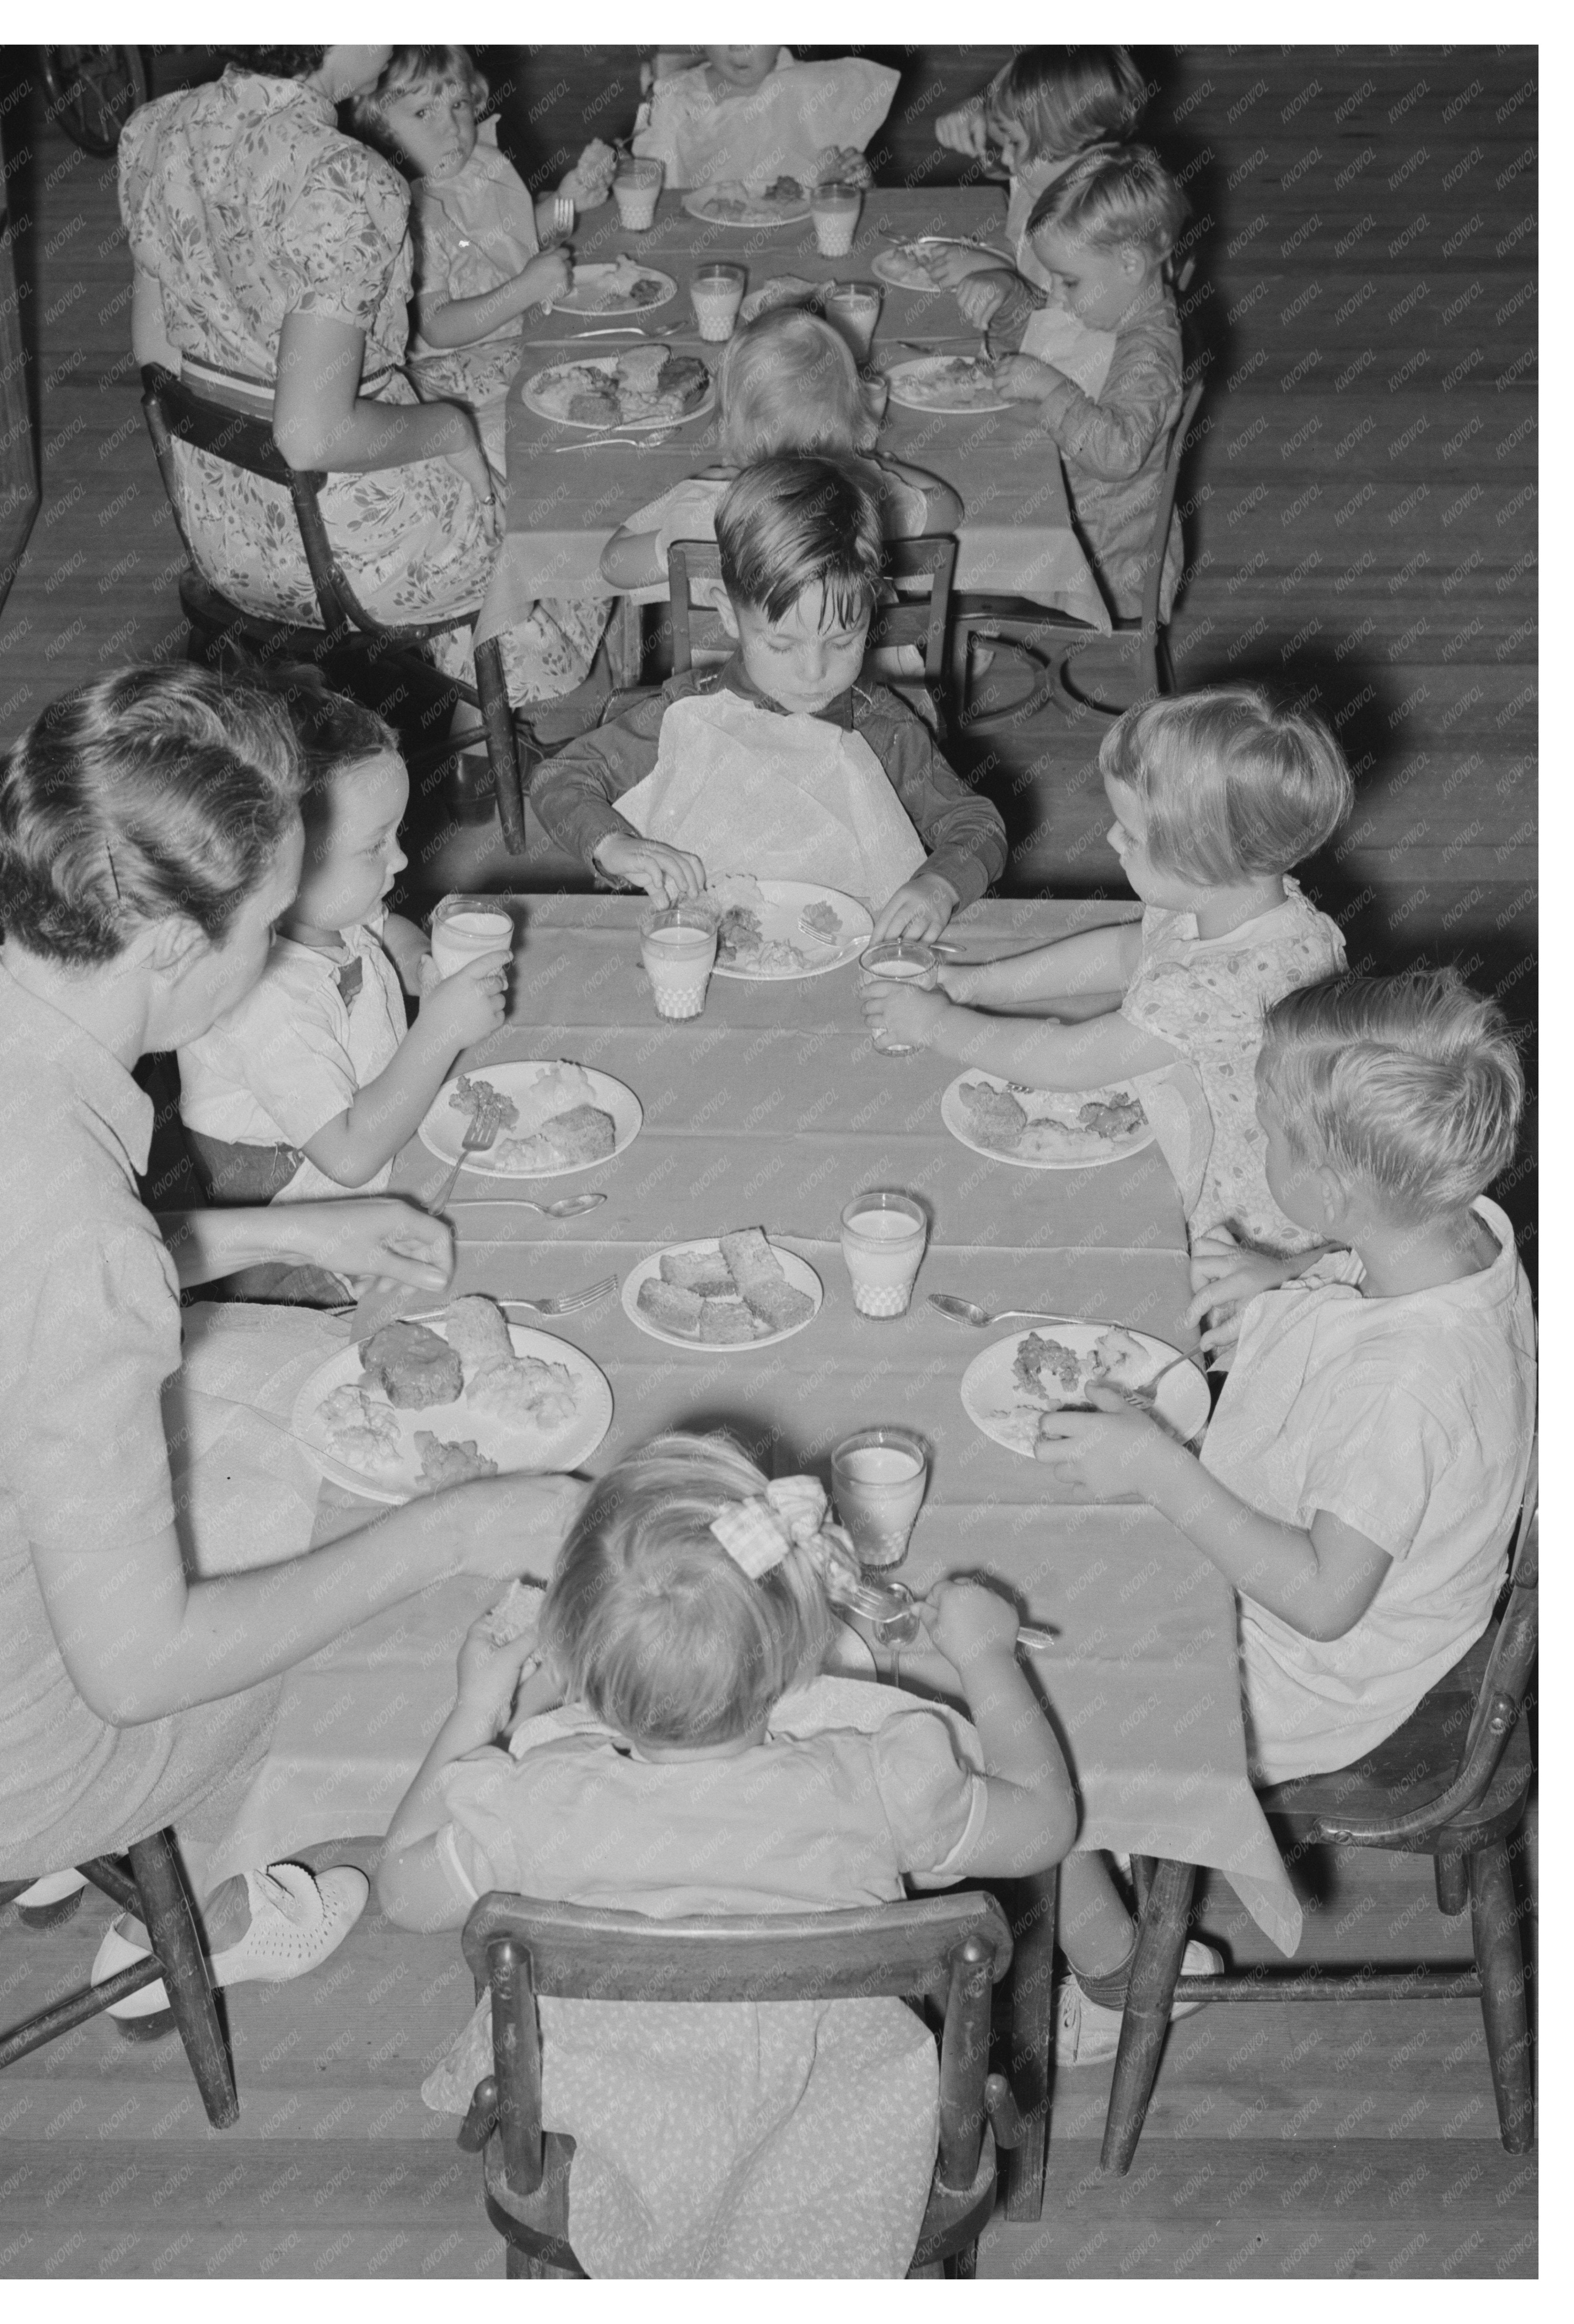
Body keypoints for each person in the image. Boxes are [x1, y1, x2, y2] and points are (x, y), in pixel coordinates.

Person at [0, 665, 585, 2030]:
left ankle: (133, 1866)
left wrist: (252, 1243)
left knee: (312, 1388)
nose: (273, 953)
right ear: (179, 951)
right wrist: (460, 1531)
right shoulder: (74, 1241)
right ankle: (248, 1885)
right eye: (268, 925)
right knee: (398, 1527)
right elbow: (140, 1665)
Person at [378, 1432, 1075, 2276]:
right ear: (798, 1657)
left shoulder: (535, 1799)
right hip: (841, 2130)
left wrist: (474, 1705)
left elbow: (405, 1893)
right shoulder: (874, 1782)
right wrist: (987, 1657)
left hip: (615, 2115)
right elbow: (1046, 1828)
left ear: (568, 1665)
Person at [1035, 969, 1535, 2059]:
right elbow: (1375, 1252)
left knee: (1027, 1686)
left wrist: (1161, 1472)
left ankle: (1103, 1950)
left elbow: (1318, 1597)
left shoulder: (1402, 1386)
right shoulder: (1461, 1223)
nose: (1248, 1135)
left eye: (1263, 1127)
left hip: (1319, 1676)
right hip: (1407, 1600)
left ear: (1339, 1182)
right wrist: (1293, 1263)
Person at [118, 47, 604, 704]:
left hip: (223, 532)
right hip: (358, 553)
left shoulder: (157, 128)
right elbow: (309, 438)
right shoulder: (347, 179)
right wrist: (450, 431)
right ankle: (495, 695)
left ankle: (434, 707)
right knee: (585, 463)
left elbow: (156, 355)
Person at [862, 687, 1351, 1256]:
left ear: (1206, 858)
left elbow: (1066, 1061)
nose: (1111, 839)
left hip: (1254, 1235)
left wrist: (935, 1025)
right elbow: (1125, 955)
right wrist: (977, 982)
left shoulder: (1221, 985)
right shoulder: (1251, 905)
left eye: (1134, 835)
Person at [534, 457, 1006, 943]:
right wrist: (612, 845)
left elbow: (978, 826)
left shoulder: (882, 728)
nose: (815, 672)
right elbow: (559, 777)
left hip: (850, 955)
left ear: (873, 610)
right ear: (730, 617)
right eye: (782, 645)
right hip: (705, 952)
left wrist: (940, 883)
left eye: (843, 641)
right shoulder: (689, 713)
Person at [177, 681, 510, 1308]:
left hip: (377, 1162)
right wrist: (437, 1032)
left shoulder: (324, 910)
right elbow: (349, 1154)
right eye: (376, 846)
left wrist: (417, 961)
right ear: (283, 862)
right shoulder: (266, 999)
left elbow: (385, 926)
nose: (404, 860)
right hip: (305, 1257)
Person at [353, 46, 616, 474]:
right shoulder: (408, 207)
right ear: (381, 122)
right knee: (541, 452)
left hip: (521, 340)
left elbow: (504, 245)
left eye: (458, 104)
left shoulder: (480, 166)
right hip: (459, 380)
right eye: (423, 114)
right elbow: (437, 325)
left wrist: (566, 203)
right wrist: (525, 289)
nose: (452, 128)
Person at [599, 307, 962, 599]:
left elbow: (614, 565)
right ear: (852, 418)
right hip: (858, 682)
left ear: (728, 426)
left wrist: (679, 494)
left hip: (728, 687)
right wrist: (875, 464)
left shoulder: (704, 508)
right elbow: (947, 506)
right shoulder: (870, 496)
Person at [981, 146, 1190, 618]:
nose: (1060, 295)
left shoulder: (1149, 354)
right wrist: (1014, 304)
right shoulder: (1122, 306)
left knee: (967, 525)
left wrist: (1053, 390)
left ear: (1130, 264)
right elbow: (1054, 332)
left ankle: (965, 636)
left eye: (1070, 282)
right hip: (1074, 518)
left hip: (1105, 564)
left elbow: (1117, 453)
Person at [932, 46, 1148, 307]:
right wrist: (978, 108)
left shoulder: (1098, 231)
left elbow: (1068, 334)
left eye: (1014, 142)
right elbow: (1017, 123)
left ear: (1066, 141)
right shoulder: (1062, 171)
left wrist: (1003, 276)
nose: (1006, 158)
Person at [633, 46, 896, 191]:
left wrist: (856, 184)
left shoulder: (819, 91)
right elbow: (651, 197)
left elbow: (850, 205)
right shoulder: (675, 97)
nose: (739, 46)